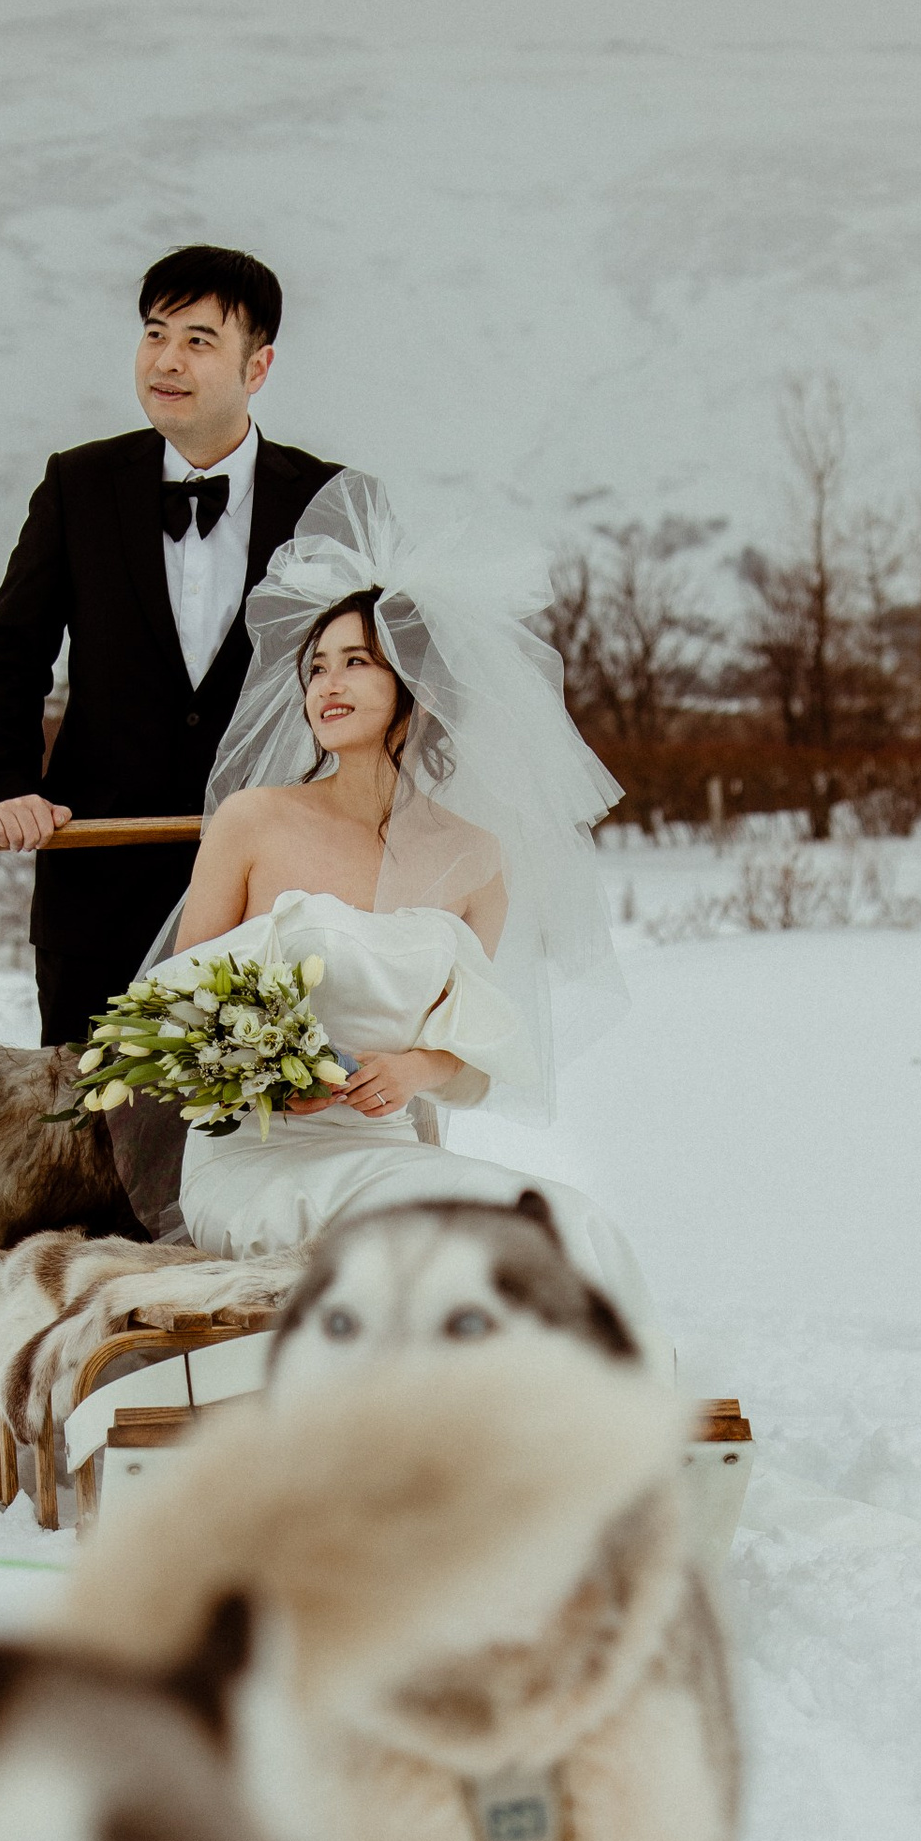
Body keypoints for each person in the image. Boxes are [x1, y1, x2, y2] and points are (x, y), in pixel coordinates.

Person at [137, 474, 663, 1348]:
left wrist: (416, 1071)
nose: (326, 684)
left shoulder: (476, 859)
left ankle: (611, 1441)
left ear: (415, 685)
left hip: (390, 1148)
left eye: (357, 661)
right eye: (315, 667)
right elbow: (177, 1019)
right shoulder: (253, 823)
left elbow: (473, 1046)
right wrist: (276, 1073)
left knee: (572, 1223)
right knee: (445, 1223)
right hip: (259, 1159)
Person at [0, 245, 341, 1229]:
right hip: (100, 880)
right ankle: (86, 1363)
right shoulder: (78, 486)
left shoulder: (326, 501)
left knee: (260, 1137)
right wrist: (6, 784)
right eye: (153, 334)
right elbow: (8, 657)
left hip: (269, 890)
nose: (165, 360)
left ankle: (233, 1363)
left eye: (198, 340)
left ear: (257, 365)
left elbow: (365, 679)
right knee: (88, 1152)